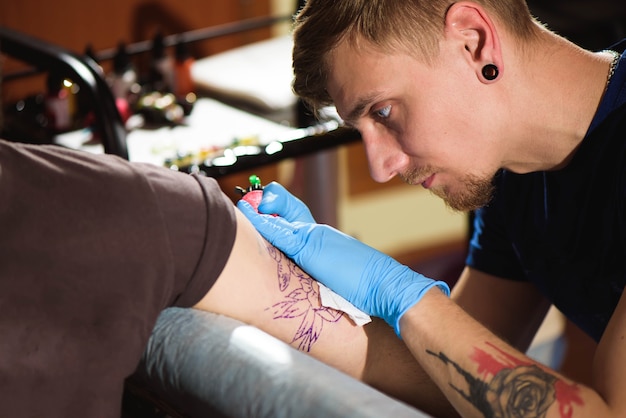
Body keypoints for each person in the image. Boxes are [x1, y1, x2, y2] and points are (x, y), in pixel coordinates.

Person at [238, 0, 626, 417]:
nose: (381, 167)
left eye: (383, 111)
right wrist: (318, 294)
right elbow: (454, 374)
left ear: (473, 42)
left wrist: (398, 291)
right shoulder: (513, 173)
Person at [0, 138, 454, 417]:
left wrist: (412, 302)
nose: (378, 167)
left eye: (385, 111)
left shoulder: (149, 215)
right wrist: (408, 303)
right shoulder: (149, 214)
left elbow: (451, 380)